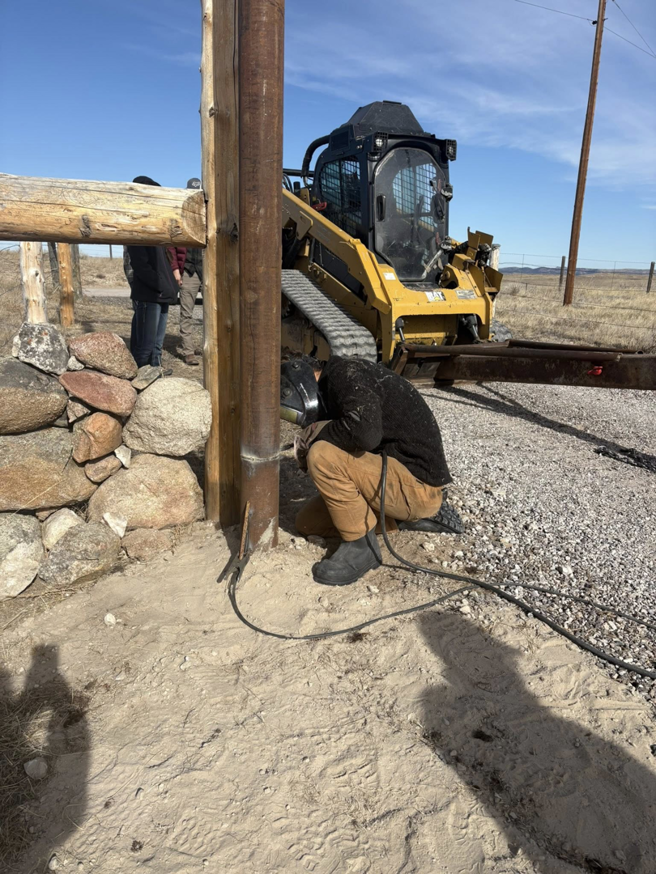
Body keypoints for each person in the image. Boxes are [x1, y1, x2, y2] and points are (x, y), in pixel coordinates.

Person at [287, 355, 462, 586]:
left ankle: (361, 548)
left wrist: (317, 435)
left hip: (420, 487)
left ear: (304, 380)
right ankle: (400, 519)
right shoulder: (338, 382)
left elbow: (365, 434)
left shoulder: (344, 374)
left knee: (321, 454)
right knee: (308, 523)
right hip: (397, 482)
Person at [127, 176, 179, 368]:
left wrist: (170, 286)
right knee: (145, 345)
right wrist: (160, 284)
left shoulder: (158, 227)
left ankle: (155, 375)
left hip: (162, 293)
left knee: (157, 345)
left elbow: (168, 260)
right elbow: (140, 265)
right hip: (150, 294)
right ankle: (140, 380)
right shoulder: (137, 226)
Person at [175, 177, 204, 366]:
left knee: (212, 313)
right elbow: (172, 246)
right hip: (188, 271)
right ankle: (188, 351)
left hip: (207, 271)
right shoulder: (181, 217)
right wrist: (176, 271)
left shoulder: (208, 215)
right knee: (187, 313)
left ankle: (205, 346)